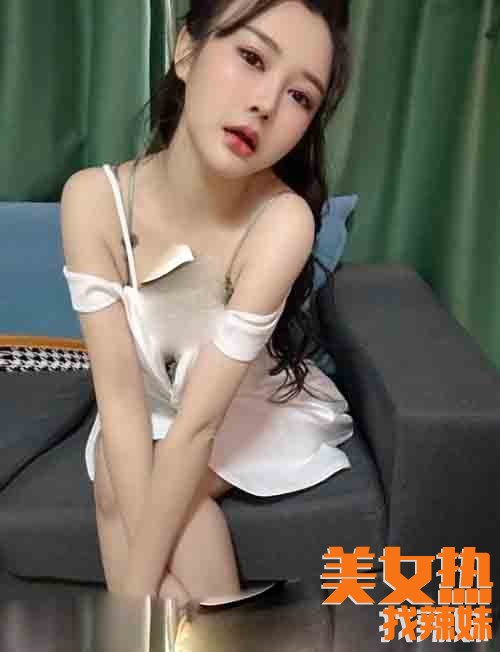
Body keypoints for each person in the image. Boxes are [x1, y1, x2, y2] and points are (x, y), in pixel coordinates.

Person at [60, 0, 353, 609]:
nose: (266, 104)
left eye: (300, 97)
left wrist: (134, 600)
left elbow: (198, 426)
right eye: (251, 57)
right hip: (149, 402)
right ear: (187, 50)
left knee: (141, 490)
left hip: (240, 405)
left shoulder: (283, 221)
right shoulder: (92, 200)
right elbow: (119, 397)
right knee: (120, 470)